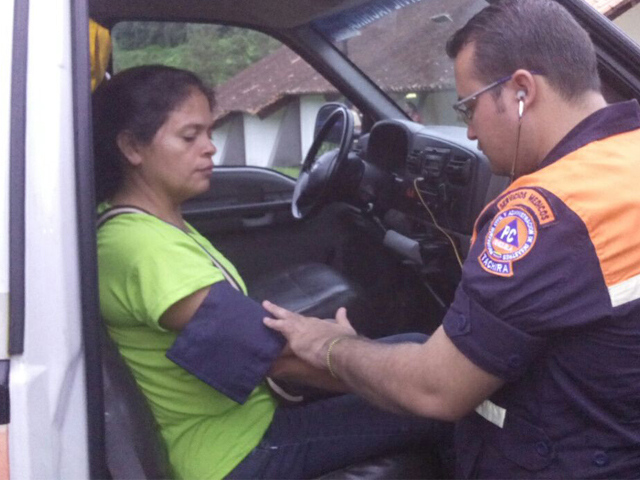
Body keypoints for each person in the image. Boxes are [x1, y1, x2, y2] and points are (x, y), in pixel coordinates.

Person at [263, 0, 640, 477]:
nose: (469, 130)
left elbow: (435, 390)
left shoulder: (544, 212)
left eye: (470, 106)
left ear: (522, 90)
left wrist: (331, 347)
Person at [93, 65, 450, 480]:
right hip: (236, 453)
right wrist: (386, 375)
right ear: (132, 148)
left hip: (245, 422)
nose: (210, 148)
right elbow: (271, 358)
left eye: (209, 133)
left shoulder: (148, 224)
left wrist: (376, 361)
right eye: (190, 136)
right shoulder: (141, 248)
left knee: (416, 353)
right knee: (441, 399)